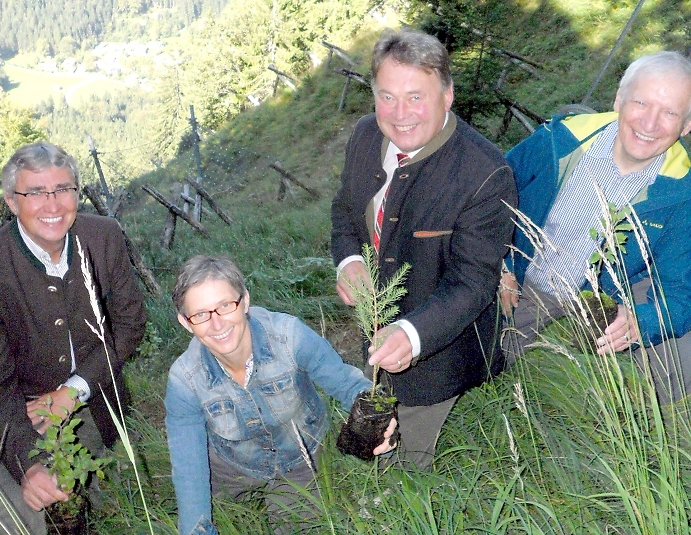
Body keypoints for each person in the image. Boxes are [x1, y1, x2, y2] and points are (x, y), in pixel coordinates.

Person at [330, 28, 517, 470]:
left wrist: (412, 335)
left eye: (416, 97)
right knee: (374, 425)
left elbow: (473, 281)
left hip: (439, 350)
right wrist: (350, 259)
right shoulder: (364, 137)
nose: (400, 114)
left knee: (407, 458)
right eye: (387, 96)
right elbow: (344, 208)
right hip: (376, 323)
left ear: (448, 95)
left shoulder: (486, 173)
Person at [500, 51, 691, 402]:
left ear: (687, 126)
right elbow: (485, 199)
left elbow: (681, 293)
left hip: (597, 302)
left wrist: (641, 322)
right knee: (477, 364)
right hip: (518, 279)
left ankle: (632, 423)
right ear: (619, 100)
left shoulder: (681, 193)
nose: (650, 123)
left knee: (684, 356)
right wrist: (499, 263)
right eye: (641, 103)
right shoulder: (559, 142)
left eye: (670, 113)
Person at [165, 255, 396, 535]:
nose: (217, 324)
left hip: (298, 457)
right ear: (185, 322)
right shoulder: (184, 379)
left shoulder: (289, 336)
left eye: (225, 306)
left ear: (245, 301)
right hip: (232, 463)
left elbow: (347, 384)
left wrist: (379, 422)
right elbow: (189, 466)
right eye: (201, 314)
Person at [0, 141, 147, 534]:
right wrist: (28, 463)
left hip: (94, 399)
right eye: (36, 193)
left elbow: (129, 326)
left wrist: (73, 391)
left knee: (102, 502)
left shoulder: (103, 236)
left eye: (63, 189)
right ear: (12, 201)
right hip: (18, 412)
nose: (53, 205)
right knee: (20, 519)